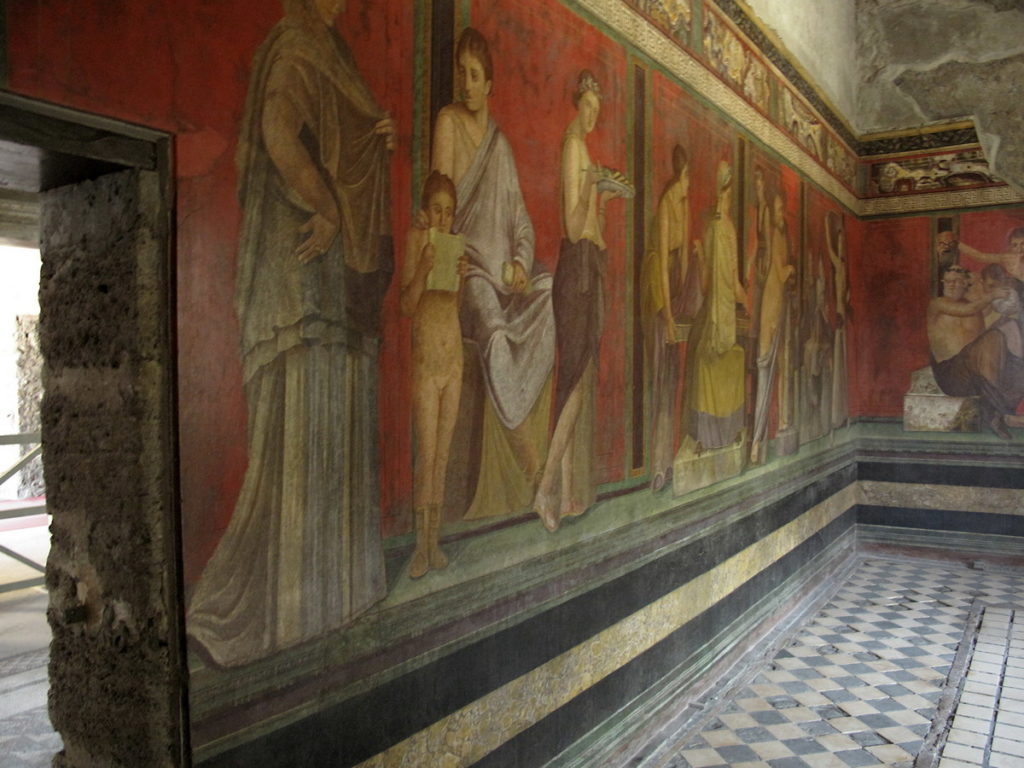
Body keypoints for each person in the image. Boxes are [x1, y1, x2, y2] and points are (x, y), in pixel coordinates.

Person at [187, 0, 396, 667]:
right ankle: (287, 610)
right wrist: (328, 207)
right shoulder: (298, 45)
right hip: (303, 264)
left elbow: (336, 138)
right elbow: (279, 131)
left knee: (334, 408)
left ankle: (335, 596)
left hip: (332, 280)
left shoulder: (332, 52)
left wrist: (372, 135)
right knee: (305, 415)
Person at [431, 28, 556, 520]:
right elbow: (440, 207)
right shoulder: (448, 123)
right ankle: (535, 472)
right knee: (499, 339)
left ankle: (536, 467)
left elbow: (520, 219)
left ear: (489, 84)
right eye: (460, 72)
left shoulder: (500, 145)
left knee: (550, 294)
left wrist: (522, 264)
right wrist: (447, 272)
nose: (465, 82)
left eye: (474, 74)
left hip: (506, 278)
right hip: (469, 275)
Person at [533, 71, 625, 531]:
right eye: (587, 106)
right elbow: (572, 229)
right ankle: (546, 487)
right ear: (576, 103)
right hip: (576, 273)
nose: (592, 116)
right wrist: (593, 185)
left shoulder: (583, 151)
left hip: (589, 267)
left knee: (579, 382)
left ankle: (567, 493)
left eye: (597, 110)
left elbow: (593, 229)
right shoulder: (573, 147)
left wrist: (603, 195)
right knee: (572, 384)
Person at [400, 171, 466, 578]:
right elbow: (407, 306)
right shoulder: (417, 241)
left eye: (449, 212)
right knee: (426, 454)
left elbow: (453, 307)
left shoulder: (454, 247)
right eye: (437, 210)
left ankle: (434, 541)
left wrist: (463, 278)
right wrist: (424, 268)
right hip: (426, 363)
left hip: (453, 359)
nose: (443, 218)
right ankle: (420, 548)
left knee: (443, 455)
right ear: (426, 210)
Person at [682, 160, 747, 452]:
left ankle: (710, 436)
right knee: (721, 359)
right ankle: (723, 432)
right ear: (725, 193)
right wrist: (749, 304)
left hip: (716, 317)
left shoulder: (716, 228)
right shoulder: (725, 229)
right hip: (720, 319)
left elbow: (712, 283)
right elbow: (729, 283)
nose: (727, 198)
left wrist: (699, 255)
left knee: (711, 360)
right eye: (726, 192)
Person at [640, 144, 691, 490]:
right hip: (656, 291)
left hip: (672, 287)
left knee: (671, 375)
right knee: (659, 374)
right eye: (689, 178)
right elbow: (661, 265)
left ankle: (667, 460)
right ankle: (657, 466)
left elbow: (683, 259)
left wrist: (684, 301)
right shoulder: (665, 206)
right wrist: (670, 317)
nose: (690, 185)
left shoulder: (683, 204)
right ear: (682, 175)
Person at [927, 265, 1020, 437]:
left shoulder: (978, 306)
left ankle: (1001, 411)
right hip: (952, 375)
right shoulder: (938, 304)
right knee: (995, 336)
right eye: (948, 281)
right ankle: (1000, 412)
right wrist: (992, 295)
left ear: (965, 284)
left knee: (1011, 329)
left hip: (974, 377)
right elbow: (968, 310)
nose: (951, 285)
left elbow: (996, 308)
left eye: (957, 281)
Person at [750, 190, 794, 464]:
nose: (782, 215)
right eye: (778, 210)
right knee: (765, 375)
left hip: (774, 309)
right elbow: (780, 272)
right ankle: (757, 442)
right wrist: (792, 269)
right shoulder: (777, 236)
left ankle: (760, 441)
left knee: (768, 375)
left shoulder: (777, 236)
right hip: (772, 312)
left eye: (781, 210)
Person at [826, 210, 850, 430]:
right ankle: (836, 414)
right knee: (838, 364)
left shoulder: (844, 268)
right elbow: (830, 248)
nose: (841, 247)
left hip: (843, 320)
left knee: (842, 366)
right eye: (840, 242)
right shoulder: (838, 265)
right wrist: (828, 225)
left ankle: (841, 414)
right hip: (839, 318)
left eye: (844, 243)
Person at [959, 227, 1024, 281]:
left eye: (1023, 243)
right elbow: (981, 256)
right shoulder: (1008, 258)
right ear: (1011, 247)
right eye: (1015, 245)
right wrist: (958, 244)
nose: (1019, 248)